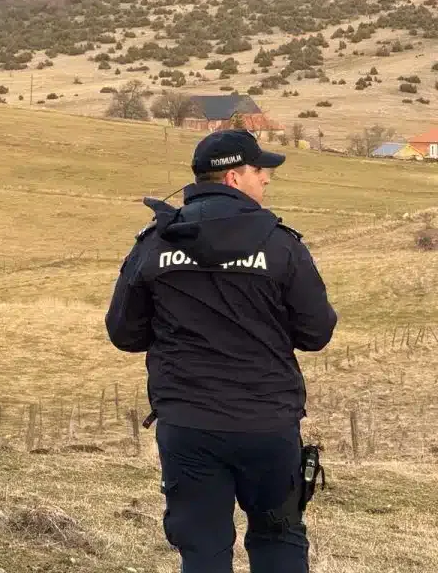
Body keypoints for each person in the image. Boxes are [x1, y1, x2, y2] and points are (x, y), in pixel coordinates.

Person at [105, 129, 337, 573]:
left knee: (203, 548)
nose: (266, 180)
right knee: (279, 538)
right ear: (234, 177)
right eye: (259, 170)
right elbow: (316, 333)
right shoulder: (282, 245)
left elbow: (124, 334)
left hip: (188, 424)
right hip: (267, 424)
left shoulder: (155, 243)